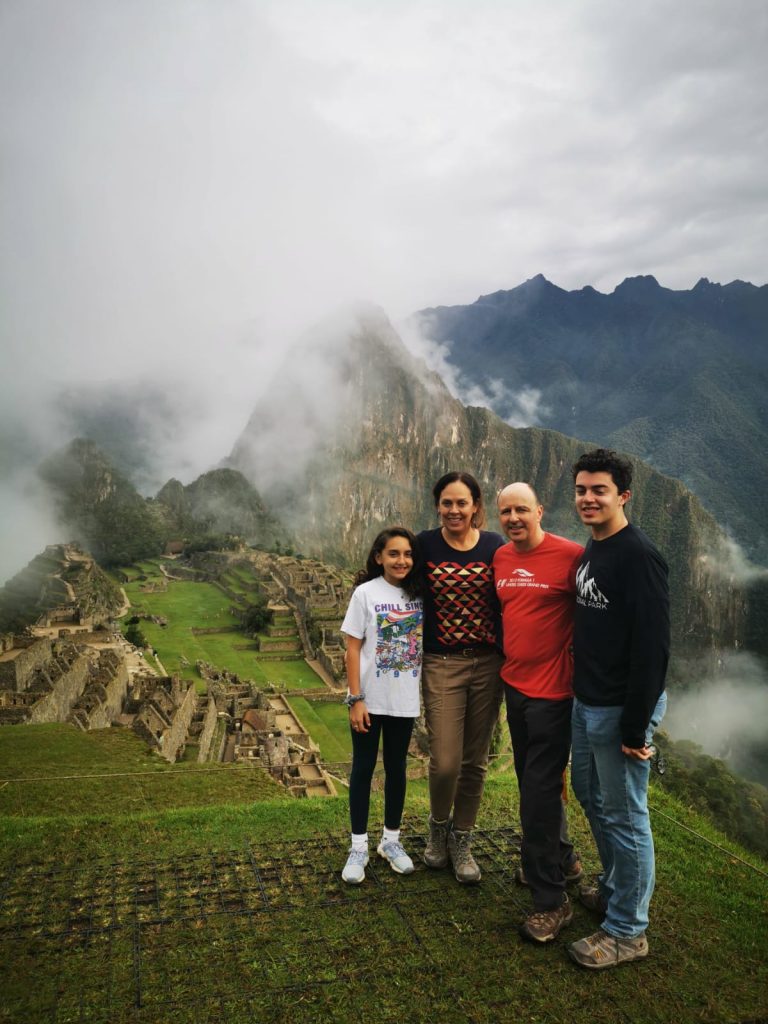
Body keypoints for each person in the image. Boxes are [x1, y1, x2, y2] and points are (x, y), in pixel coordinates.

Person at [568, 448, 669, 969]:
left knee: (627, 815)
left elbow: (653, 649)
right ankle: (614, 890)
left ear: (623, 495)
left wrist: (635, 724)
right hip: (587, 702)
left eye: (599, 490)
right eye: (582, 489)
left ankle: (628, 930)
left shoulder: (638, 556)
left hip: (620, 707)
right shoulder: (594, 549)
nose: (588, 498)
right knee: (591, 796)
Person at [493, 482, 584, 943]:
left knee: (538, 792)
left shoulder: (571, 557)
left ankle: (551, 899)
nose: (513, 518)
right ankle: (564, 860)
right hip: (516, 687)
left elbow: (597, 616)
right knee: (533, 778)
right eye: (505, 511)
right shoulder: (502, 558)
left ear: (540, 511)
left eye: (521, 510)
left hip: (554, 694)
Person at [418, 471, 504, 883]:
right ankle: (438, 829)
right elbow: (393, 579)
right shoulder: (425, 545)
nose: (454, 510)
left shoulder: (494, 547)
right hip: (442, 661)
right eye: (447, 503)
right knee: (446, 760)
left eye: (462, 503)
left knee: (475, 761)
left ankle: (462, 838)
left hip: (488, 663)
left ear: (475, 507)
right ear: (438, 505)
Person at [340, 527, 424, 884]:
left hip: (403, 698)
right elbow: (353, 648)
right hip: (370, 699)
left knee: (396, 770)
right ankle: (358, 845)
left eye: (407, 554)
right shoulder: (366, 594)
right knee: (362, 769)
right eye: (393, 553)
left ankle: (391, 841)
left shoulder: (420, 595)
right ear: (379, 557)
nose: (401, 560)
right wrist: (356, 699)